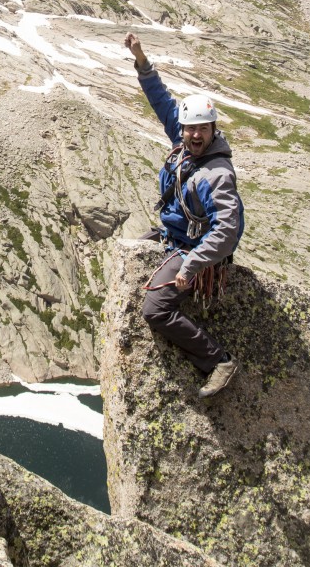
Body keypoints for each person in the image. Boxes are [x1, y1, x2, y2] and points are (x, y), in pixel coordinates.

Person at [124, 32, 245, 398]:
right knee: (128, 249)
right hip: (174, 235)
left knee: (155, 310)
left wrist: (192, 264)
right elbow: (161, 100)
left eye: (200, 129)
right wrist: (141, 59)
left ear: (212, 130)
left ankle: (218, 361)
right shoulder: (184, 141)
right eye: (190, 128)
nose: (193, 134)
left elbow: (227, 231)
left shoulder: (215, 175)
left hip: (193, 249)